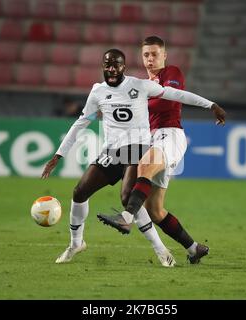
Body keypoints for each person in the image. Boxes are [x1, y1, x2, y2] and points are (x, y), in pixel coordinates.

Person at [42, 48, 223, 267]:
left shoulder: (139, 85)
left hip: (138, 148)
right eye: (107, 64)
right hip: (111, 152)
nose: (111, 69)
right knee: (79, 192)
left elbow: (177, 94)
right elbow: (81, 122)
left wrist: (210, 105)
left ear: (123, 67)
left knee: (129, 198)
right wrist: (59, 154)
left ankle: (160, 249)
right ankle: (75, 244)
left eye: (116, 65)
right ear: (102, 66)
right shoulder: (97, 92)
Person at [97, 36, 226, 264]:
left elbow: (167, 101)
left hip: (171, 135)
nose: (150, 59)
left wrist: (211, 104)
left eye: (155, 54)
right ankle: (194, 248)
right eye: (146, 55)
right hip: (152, 139)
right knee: (155, 211)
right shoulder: (141, 85)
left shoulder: (171, 74)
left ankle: (126, 217)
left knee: (143, 166)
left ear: (164, 55)